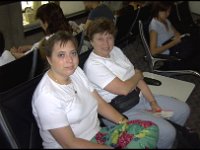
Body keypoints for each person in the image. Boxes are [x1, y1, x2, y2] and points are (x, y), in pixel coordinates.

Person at [31, 31, 159, 149]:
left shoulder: (76, 72)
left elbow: (99, 102)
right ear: (49, 59)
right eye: (61, 55)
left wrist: (124, 123)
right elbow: (70, 144)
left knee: (148, 129)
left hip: (98, 136)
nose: (69, 60)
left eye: (73, 53)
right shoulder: (46, 97)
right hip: (75, 145)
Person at [83, 17, 190, 149]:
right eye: (100, 39)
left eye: (109, 37)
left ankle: (166, 139)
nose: (106, 43)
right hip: (120, 111)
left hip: (139, 98)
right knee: (168, 133)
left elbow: (136, 79)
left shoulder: (116, 51)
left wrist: (152, 102)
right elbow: (124, 89)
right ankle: (161, 142)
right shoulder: (93, 65)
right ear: (91, 41)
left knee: (183, 110)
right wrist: (138, 74)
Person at [149, 1, 200, 72]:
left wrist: (183, 37)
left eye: (169, 11)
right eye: (165, 12)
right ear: (157, 11)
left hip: (179, 50)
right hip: (172, 58)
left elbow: (177, 34)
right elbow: (153, 52)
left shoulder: (166, 21)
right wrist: (174, 42)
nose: (168, 14)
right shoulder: (154, 27)